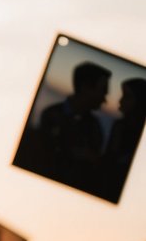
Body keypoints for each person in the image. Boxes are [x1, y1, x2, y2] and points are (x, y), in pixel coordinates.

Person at [35, 61, 110, 194]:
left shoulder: (95, 127)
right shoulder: (50, 115)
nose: (105, 99)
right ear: (85, 87)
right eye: (103, 91)